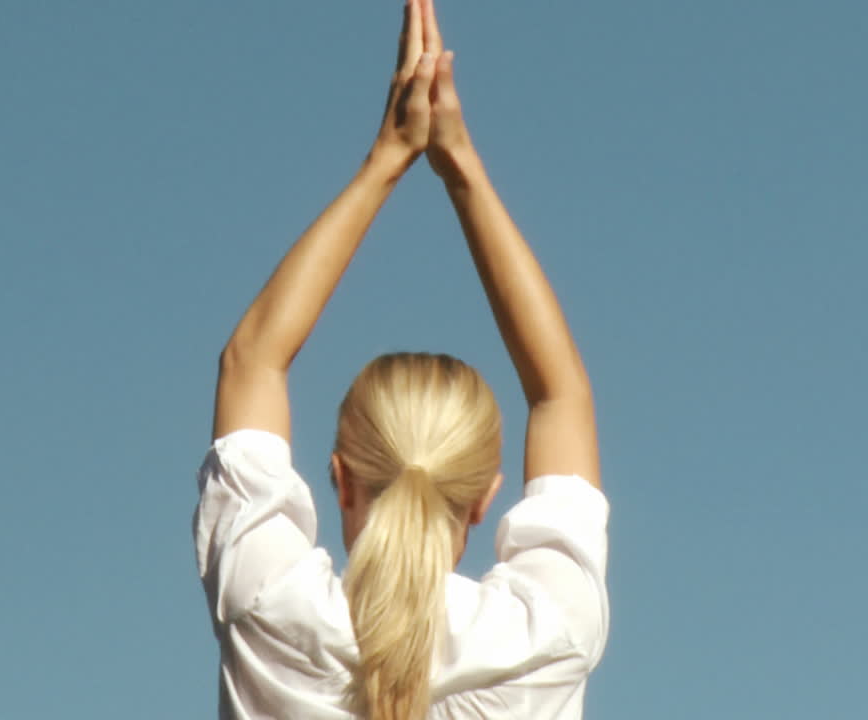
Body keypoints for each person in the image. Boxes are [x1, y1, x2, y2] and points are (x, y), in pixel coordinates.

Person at [192, 1, 607, 717]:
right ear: (484, 500)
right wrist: (461, 166)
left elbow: (252, 362)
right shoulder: (545, 635)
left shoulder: (270, 608)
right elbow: (560, 394)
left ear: (338, 476)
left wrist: (386, 159)